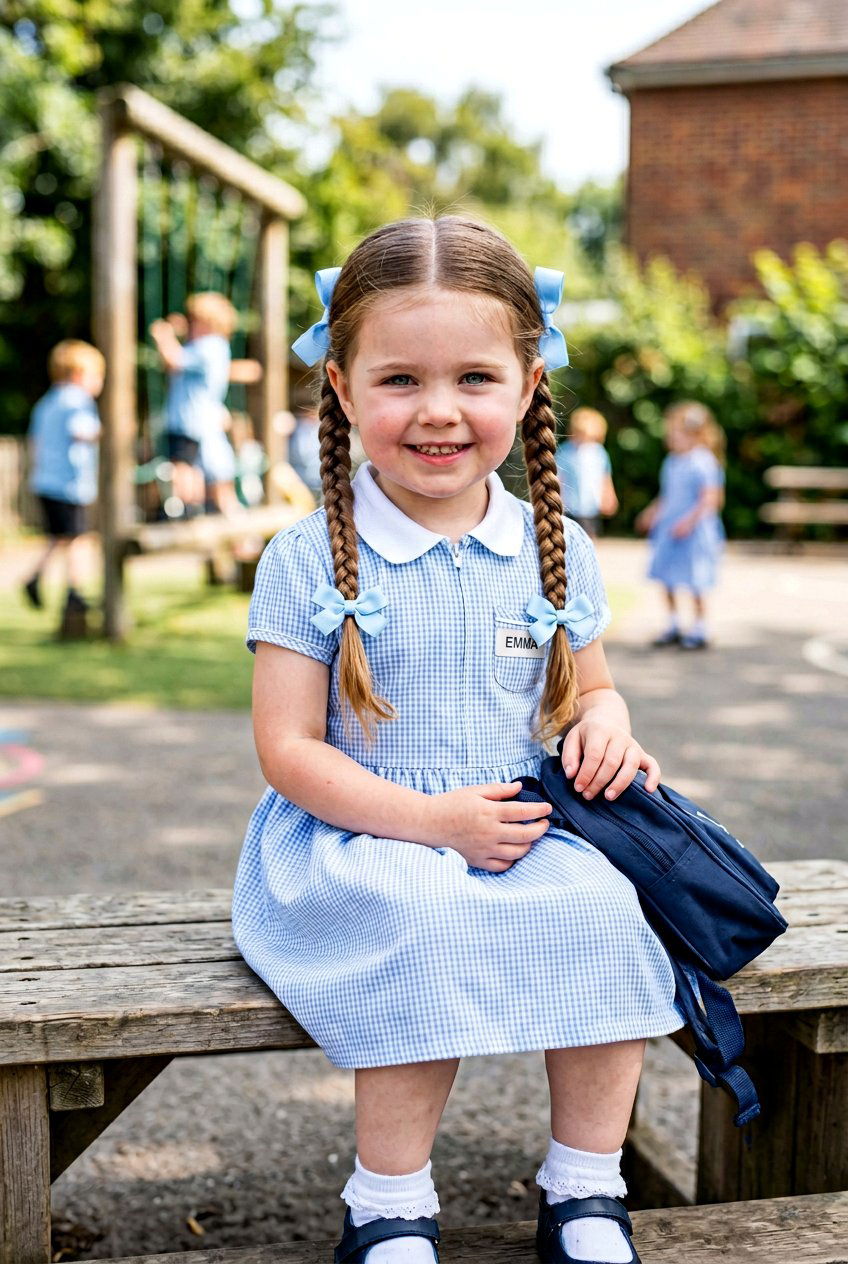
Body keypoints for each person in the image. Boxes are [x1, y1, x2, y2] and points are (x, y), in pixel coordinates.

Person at [232, 217, 681, 1264]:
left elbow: (589, 691)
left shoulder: (551, 546)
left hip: (514, 826)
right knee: (420, 913)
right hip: (359, 837)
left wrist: (606, 730)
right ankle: (386, 1202)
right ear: (340, 387)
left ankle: (583, 1186)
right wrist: (431, 822)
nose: (437, 411)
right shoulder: (306, 561)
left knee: (607, 907)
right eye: (398, 380)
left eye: (474, 376)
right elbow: (289, 748)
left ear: (527, 383)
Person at [635, 401, 726, 651]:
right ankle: (673, 624)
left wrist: (688, 522)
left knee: (696, 580)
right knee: (667, 577)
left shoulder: (703, 462)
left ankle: (700, 627)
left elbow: (711, 499)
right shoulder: (672, 462)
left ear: (694, 434)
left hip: (694, 534)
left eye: (676, 433)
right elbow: (668, 495)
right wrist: (652, 512)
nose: (671, 438)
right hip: (669, 531)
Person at [23, 340, 104, 615]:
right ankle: (74, 592)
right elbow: (83, 431)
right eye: (97, 376)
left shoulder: (47, 402)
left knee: (61, 537)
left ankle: (36, 579)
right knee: (78, 538)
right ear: (79, 374)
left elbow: (34, 442)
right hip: (68, 483)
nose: (99, 383)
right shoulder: (77, 400)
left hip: (46, 480)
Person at [149, 292, 237, 516]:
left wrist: (163, 335)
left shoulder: (209, 345)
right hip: (197, 420)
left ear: (208, 322)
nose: (190, 326)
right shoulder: (214, 346)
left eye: (193, 321)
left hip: (187, 420)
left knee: (183, 468)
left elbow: (173, 359)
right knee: (195, 470)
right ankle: (191, 512)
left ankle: (184, 512)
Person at [555, 407, 618, 538]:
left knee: (590, 536)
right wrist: (557, 499)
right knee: (569, 536)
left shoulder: (599, 453)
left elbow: (605, 476)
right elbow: (559, 477)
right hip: (571, 505)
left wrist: (609, 496)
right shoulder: (565, 451)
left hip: (591, 505)